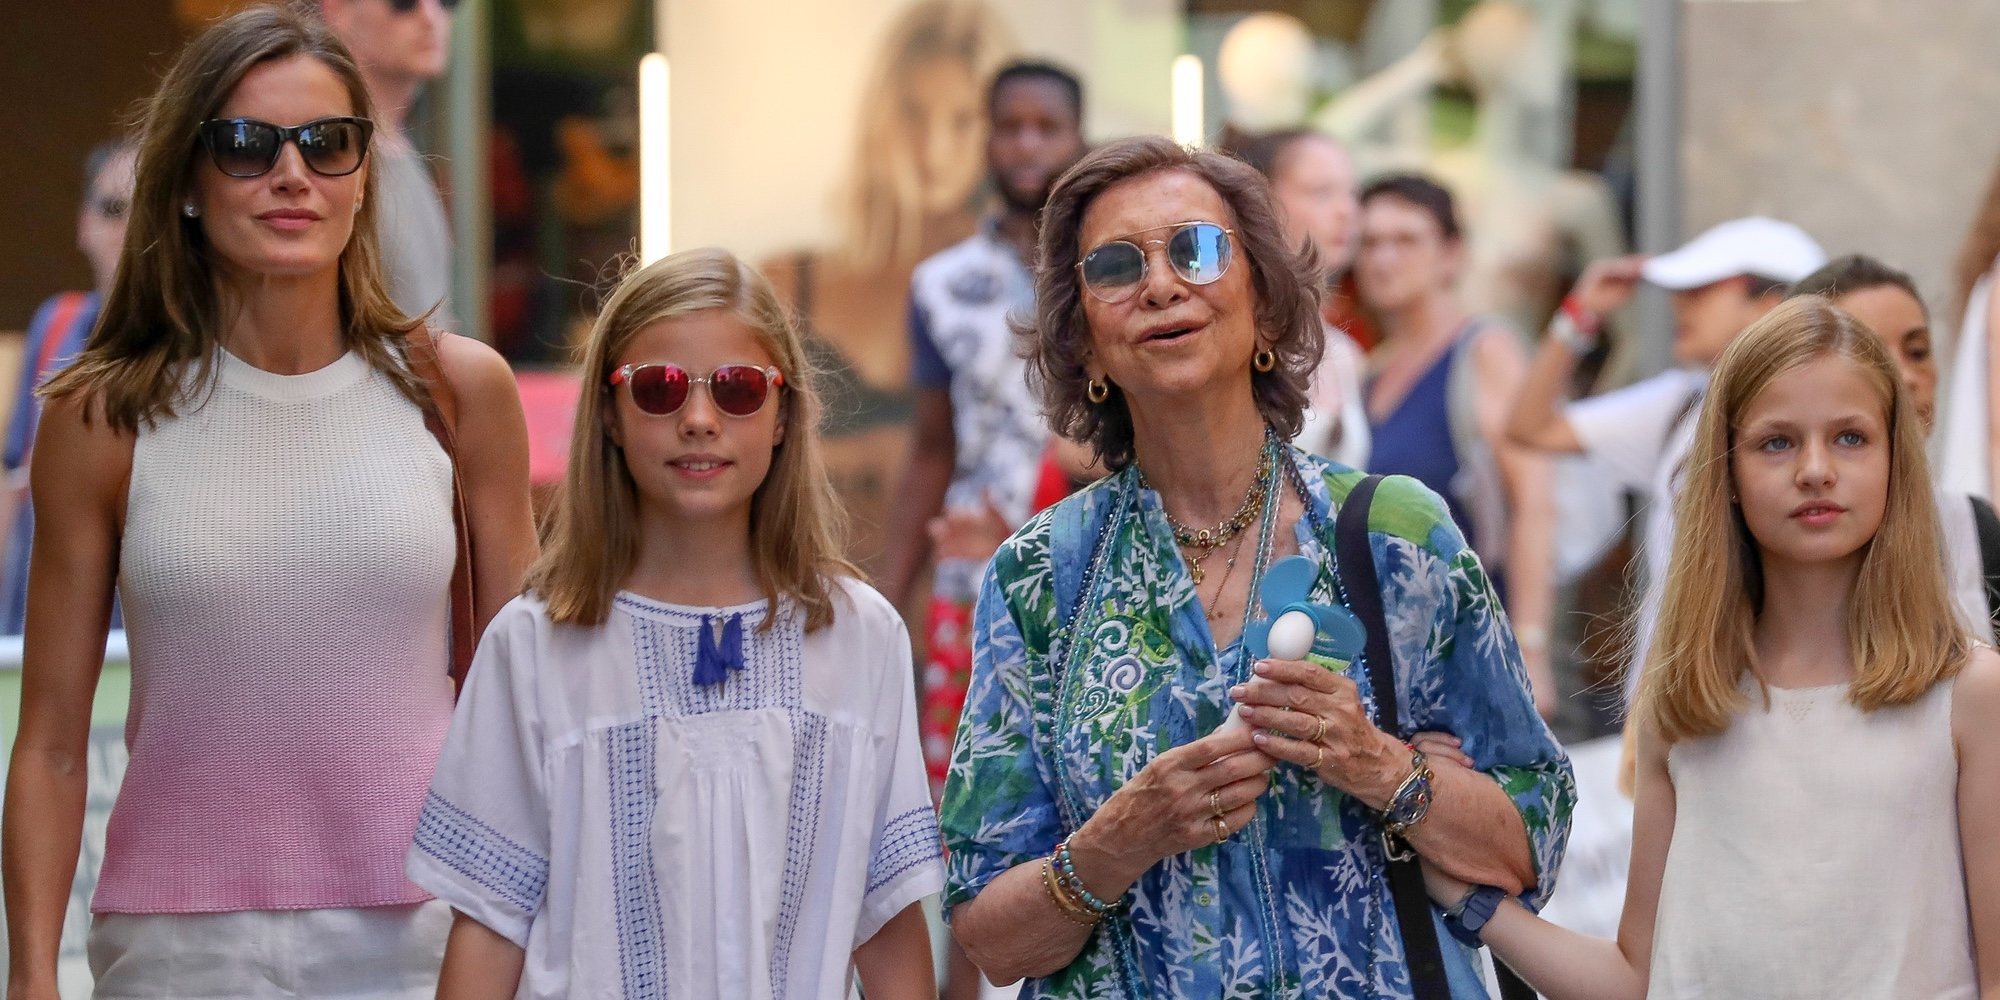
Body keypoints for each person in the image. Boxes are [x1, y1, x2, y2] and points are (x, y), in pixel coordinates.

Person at [939, 135, 1573, 998]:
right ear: (1084, 344)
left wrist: (1376, 763)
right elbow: (989, 938)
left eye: (1197, 250)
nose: (1161, 284)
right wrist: (1118, 841)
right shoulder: (1040, 576)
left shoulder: (1398, 535)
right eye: (1117, 267)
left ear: (1268, 307)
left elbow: (1532, 842)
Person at [0, 8, 536, 997]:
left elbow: (523, 707)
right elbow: (49, 742)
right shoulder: (102, 415)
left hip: (425, 935)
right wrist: (32, 974)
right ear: (190, 183)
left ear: (365, 172)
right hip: (175, 950)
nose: (293, 173)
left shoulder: (460, 394)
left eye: (329, 143)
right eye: (247, 144)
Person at [1416, 296, 2000, 998]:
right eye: (1776, 441)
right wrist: (1466, 898)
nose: (1815, 469)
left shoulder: (1969, 695)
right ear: (1725, 472)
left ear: (1895, 459)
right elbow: (1638, 976)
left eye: (1850, 437)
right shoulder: (1683, 703)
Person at [408, 247, 941, 999]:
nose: (698, 419)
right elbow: (491, 928)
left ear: (784, 412)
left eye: (738, 390)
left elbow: (885, 922)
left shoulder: (861, 639)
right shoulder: (532, 646)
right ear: (609, 413)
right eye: (658, 389)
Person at [1506, 217, 1824, 706]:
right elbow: (1530, 428)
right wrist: (1580, 313)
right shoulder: (1680, 405)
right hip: (1661, 712)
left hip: (1765, 708)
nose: (1679, 303)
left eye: (1702, 290)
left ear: (1771, 304)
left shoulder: (1817, 426)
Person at [879, 58, 1087, 774]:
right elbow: (933, 447)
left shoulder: (1116, 269)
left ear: (1078, 136)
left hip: (1097, 562)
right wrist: (883, 608)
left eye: (1047, 128)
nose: (1028, 145)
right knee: (975, 790)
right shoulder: (941, 285)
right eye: (1010, 128)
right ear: (986, 140)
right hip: (978, 577)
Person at [763, 0, 1013, 580]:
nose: (933, 147)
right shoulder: (787, 283)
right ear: (879, 113)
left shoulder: (1027, 291)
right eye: (912, 113)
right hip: (809, 599)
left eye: (962, 119)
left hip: (972, 617)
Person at [1353, 173, 1557, 714]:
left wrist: (1531, 650)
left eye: (1406, 240)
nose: (1383, 258)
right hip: (1391, 656)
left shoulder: (1484, 352)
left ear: (1451, 254)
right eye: (1370, 242)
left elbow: (1535, 503)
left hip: (1474, 650)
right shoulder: (1370, 372)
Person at [1791, 255, 1994, 643]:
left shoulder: (1973, 527)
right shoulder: (1770, 527)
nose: (1905, 376)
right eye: (1868, 352)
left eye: (1917, 351)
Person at [0, 140, 138, 634]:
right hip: (33, 636)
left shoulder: (213, 346)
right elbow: (15, 480)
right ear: (84, 224)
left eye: (151, 208)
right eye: (113, 209)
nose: (132, 229)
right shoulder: (56, 325)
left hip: (140, 649)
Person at [1239, 128, 1370, 469]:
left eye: (1352, 194)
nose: (1347, 211)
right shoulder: (1232, 335)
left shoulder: (1346, 355)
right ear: (1259, 201)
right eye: (1321, 192)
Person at [320, 0, 457, 325]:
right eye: (404, 3)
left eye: (448, 2)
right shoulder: (322, 154)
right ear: (337, 9)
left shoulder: (403, 150)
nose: (430, 16)